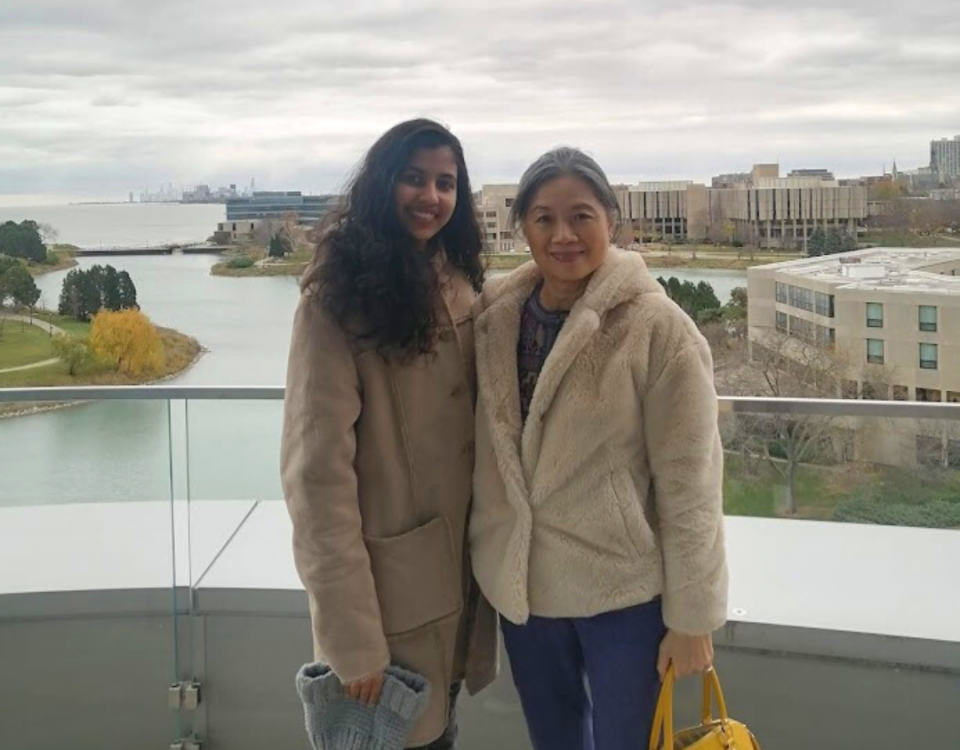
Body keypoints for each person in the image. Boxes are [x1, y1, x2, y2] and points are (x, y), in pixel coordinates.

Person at [469, 147, 728, 750]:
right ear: (522, 229)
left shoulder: (657, 329)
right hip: (525, 593)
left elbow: (691, 482)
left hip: (623, 596)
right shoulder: (495, 318)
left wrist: (692, 617)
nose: (563, 235)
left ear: (612, 220)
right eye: (543, 218)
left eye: (581, 216)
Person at [281, 118, 498, 749]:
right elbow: (314, 480)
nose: (431, 196)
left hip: (459, 590)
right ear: (382, 184)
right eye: (413, 178)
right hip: (386, 610)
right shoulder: (333, 300)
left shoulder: (458, 285)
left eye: (445, 182)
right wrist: (351, 642)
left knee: (441, 734)